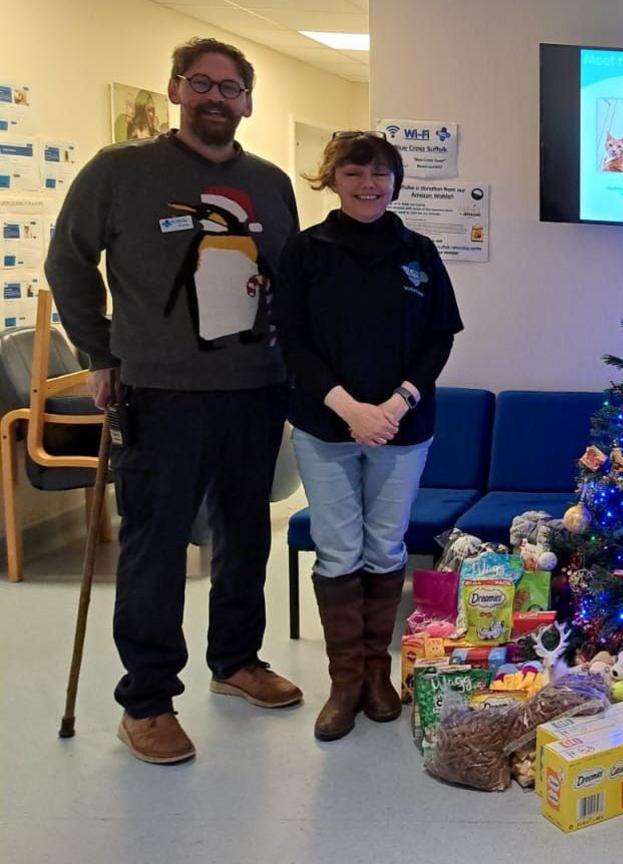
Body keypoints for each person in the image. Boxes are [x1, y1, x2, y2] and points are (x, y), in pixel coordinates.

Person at [45, 37, 301, 765]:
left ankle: (236, 661)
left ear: (247, 101)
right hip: (158, 393)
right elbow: (68, 259)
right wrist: (101, 352)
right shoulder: (120, 172)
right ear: (175, 91)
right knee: (157, 546)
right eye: (201, 84)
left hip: (257, 389)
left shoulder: (271, 181)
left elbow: (288, 278)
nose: (216, 98)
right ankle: (148, 699)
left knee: (248, 532)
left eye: (231, 88)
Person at [275, 132, 462, 741]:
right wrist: (349, 407)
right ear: (333, 179)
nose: (368, 185)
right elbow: (292, 341)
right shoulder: (305, 252)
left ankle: (378, 675)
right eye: (354, 173)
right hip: (325, 425)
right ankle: (344, 683)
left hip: (403, 426)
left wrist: (398, 401)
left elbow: (440, 338)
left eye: (380, 175)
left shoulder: (419, 252)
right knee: (338, 551)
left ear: (395, 182)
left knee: (385, 550)